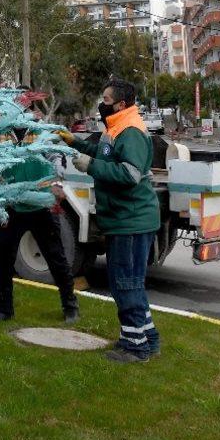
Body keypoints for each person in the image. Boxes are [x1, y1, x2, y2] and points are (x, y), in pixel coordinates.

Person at [61, 77, 160, 363]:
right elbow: (105, 155)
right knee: (131, 283)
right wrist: (76, 143)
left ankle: (135, 347)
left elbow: (128, 175)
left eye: (105, 100)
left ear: (121, 103)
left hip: (131, 220)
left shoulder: (130, 131)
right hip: (124, 219)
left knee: (125, 283)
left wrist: (90, 167)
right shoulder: (115, 128)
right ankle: (146, 338)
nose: (100, 105)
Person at [0, 109, 79, 325]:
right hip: (12, 206)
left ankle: (70, 306)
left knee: (56, 258)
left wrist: (57, 181)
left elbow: (57, 156)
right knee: (3, 260)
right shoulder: (1, 132)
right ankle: (3, 309)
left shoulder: (42, 131)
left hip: (41, 206)